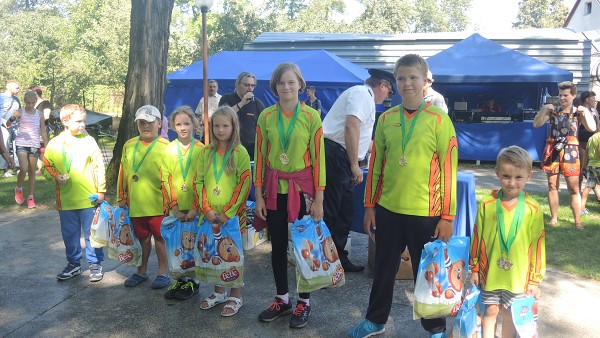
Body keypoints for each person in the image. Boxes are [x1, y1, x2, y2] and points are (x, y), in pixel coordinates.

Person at [348, 54, 458, 338]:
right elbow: (376, 166)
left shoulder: (439, 120)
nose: (407, 83)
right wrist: (369, 205)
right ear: (394, 82)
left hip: (425, 213)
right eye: (401, 78)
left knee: (429, 272)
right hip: (389, 210)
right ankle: (375, 320)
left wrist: (447, 216)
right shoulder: (386, 119)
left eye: (413, 78)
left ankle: (435, 329)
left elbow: (448, 171)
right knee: (384, 269)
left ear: (425, 82)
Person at [254, 62, 325, 329]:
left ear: (300, 85)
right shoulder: (266, 117)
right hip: (274, 189)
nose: (286, 87)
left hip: (303, 189)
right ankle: (282, 298)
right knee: (278, 246)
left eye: (291, 82)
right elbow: (259, 158)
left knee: (303, 246)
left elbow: (319, 161)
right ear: (275, 86)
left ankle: (304, 302)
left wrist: (319, 198)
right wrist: (258, 196)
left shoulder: (311, 117)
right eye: (281, 83)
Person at [322, 68, 395, 273]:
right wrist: (355, 164)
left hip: (341, 156)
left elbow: (362, 136)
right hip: (337, 155)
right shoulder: (362, 94)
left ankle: (338, 258)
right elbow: (351, 127)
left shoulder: (364, 97)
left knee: (345, 211)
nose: (388, 96)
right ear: (383, 85)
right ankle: (324, 264)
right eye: (389, 91)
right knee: (332, 211)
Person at [469, 145, 546, 338]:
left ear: (529, 175)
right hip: (491, 272)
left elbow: (538, 246)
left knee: (510, 314)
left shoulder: (533, 209)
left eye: (518, 177)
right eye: (506, 176)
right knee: (491, 311)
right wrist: (475, 268)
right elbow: (477, 237)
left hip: (518, 277)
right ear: (497, 173)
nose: (512, 183)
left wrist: (534, 279)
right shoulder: (487, 204)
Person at [195, 105, 251, 317]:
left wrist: (229, 212)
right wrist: (207, 209)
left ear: (233, 127)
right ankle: (219, 292)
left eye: (225, 126)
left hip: (232, 217)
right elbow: (198, 181)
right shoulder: (206, 152)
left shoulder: (240, 152)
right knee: (213, 253)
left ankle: (235, 295)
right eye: (216, 126)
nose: (220, 130)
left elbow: (244, 184)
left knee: (233, 256)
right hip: (209, 216)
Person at [43, 104, 106, 281]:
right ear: (65, 121)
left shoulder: (89, 141)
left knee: (92, 234)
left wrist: (101, 190)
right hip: (66, 200)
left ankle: (95, 264)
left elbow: (98, 165)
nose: (82, 125)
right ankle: (74, 264)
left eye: (84, 121)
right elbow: (46, 166)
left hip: (89, 199)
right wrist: (55, 177)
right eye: (78, 121)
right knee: (69, 234)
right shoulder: (54, 144)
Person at [117, 105, 171, 289]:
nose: (145, 126)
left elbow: (172, 176)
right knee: (142, 239)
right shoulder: (129, 144)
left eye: (150, 122)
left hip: (159, 204)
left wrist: (171, 202)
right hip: (136, 203)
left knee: (161, 239)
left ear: (159, 123)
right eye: (141, 123)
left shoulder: (166, 146)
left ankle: (163, 273)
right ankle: (141, 271)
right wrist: (121, 195)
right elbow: (123, 172)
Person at [533, 81, 596, 229]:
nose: (562, 98)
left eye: (565, 95)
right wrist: (543, 109)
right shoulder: (552, 111)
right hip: (553, 149)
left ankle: (577, 221)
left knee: (574, 188)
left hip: (571, 150)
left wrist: (585, 112)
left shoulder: (578, 112)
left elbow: (592, 128)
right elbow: (536, 124)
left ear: (573, 95)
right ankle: (554, 218)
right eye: (560, 95)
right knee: (552, 186)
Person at [161, 105, 204, 300]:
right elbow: (165, 179)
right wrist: (174, 207)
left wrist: (195, 207)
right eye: (178, 124)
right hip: (177, 209)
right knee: (176, 246)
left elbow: (204, 180)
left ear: (194, 124)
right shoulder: (169, 149)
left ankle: (193, 281)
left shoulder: (202, 149)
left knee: (192, 245)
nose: (183, 127)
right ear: (172, 126)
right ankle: (180, 279)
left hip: (195, 209)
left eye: (187, 123)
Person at [8, 90, 49, 208]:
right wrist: (12, 118)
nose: (30, 105)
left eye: (33, 103)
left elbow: (43, 131)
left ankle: (31, 197)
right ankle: (19, 188)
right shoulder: (20, 112)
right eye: (28, 103)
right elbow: (7, 124)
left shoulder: (39, 114)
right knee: (24, 168)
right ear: (25, 102)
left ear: (35, 102)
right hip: (21, 143)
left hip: (34, 144)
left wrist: (46, 147)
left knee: (32, 171)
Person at [219, 72, 265, 161]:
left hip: (251, 151)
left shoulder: (258, 104)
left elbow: (264, 127)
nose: (250, 88)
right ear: (237, 84)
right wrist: (242, 103)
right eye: (247, 85)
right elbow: (221, 118)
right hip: (230, 148)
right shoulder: (227, 98)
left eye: (252, 85)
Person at [577, 91, 598, 193]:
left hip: (593, 143)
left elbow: (597, 125)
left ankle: (596, 192)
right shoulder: (579, 111)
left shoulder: (594, 111)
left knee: (594, 168)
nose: (595, 100)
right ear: (587, 99)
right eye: (593, 98)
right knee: (582, 168)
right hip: (581, 143)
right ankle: (577, 191)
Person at [29, 85, 53, 174]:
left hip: (42, 129)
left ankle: (48, 167)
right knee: (36, 149)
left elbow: (46, 116)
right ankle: (40, 169)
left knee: (42, 149)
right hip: (33, 130)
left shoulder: (45, 103)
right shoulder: (32, 105)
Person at [0, 80, 21, 175]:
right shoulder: (1, 97)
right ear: (9, 87)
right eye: (17, 88)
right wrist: (3, 123)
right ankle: (4, 169)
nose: (19, 90)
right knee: (4, 146)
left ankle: (16, 167)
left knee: (17, 146)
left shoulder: (17, 99)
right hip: (3, 125)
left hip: (15, 126)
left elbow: (19, 112)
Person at [581, 130, 600, 214]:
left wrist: (584, 165)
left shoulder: (592, 137)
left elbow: (586, 153)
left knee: (588, 186)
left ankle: (582, 207)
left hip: (592, 165)